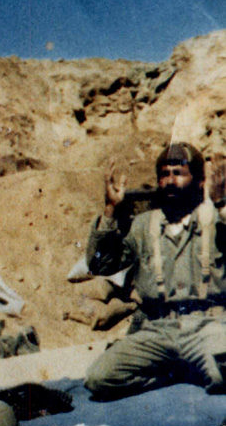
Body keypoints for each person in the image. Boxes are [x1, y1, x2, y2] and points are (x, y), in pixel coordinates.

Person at [85, 142, 226, 398]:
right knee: (100, 378)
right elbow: (100, 263)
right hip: (158, 330)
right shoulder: (143, 226)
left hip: (209, 327)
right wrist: (110, 211)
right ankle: (175, 372)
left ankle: (194, 367)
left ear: (199, 181)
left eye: (179, 173)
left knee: (222, 372)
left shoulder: (216, 220)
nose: (170, 181)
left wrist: (220, 204)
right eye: (164, 174)